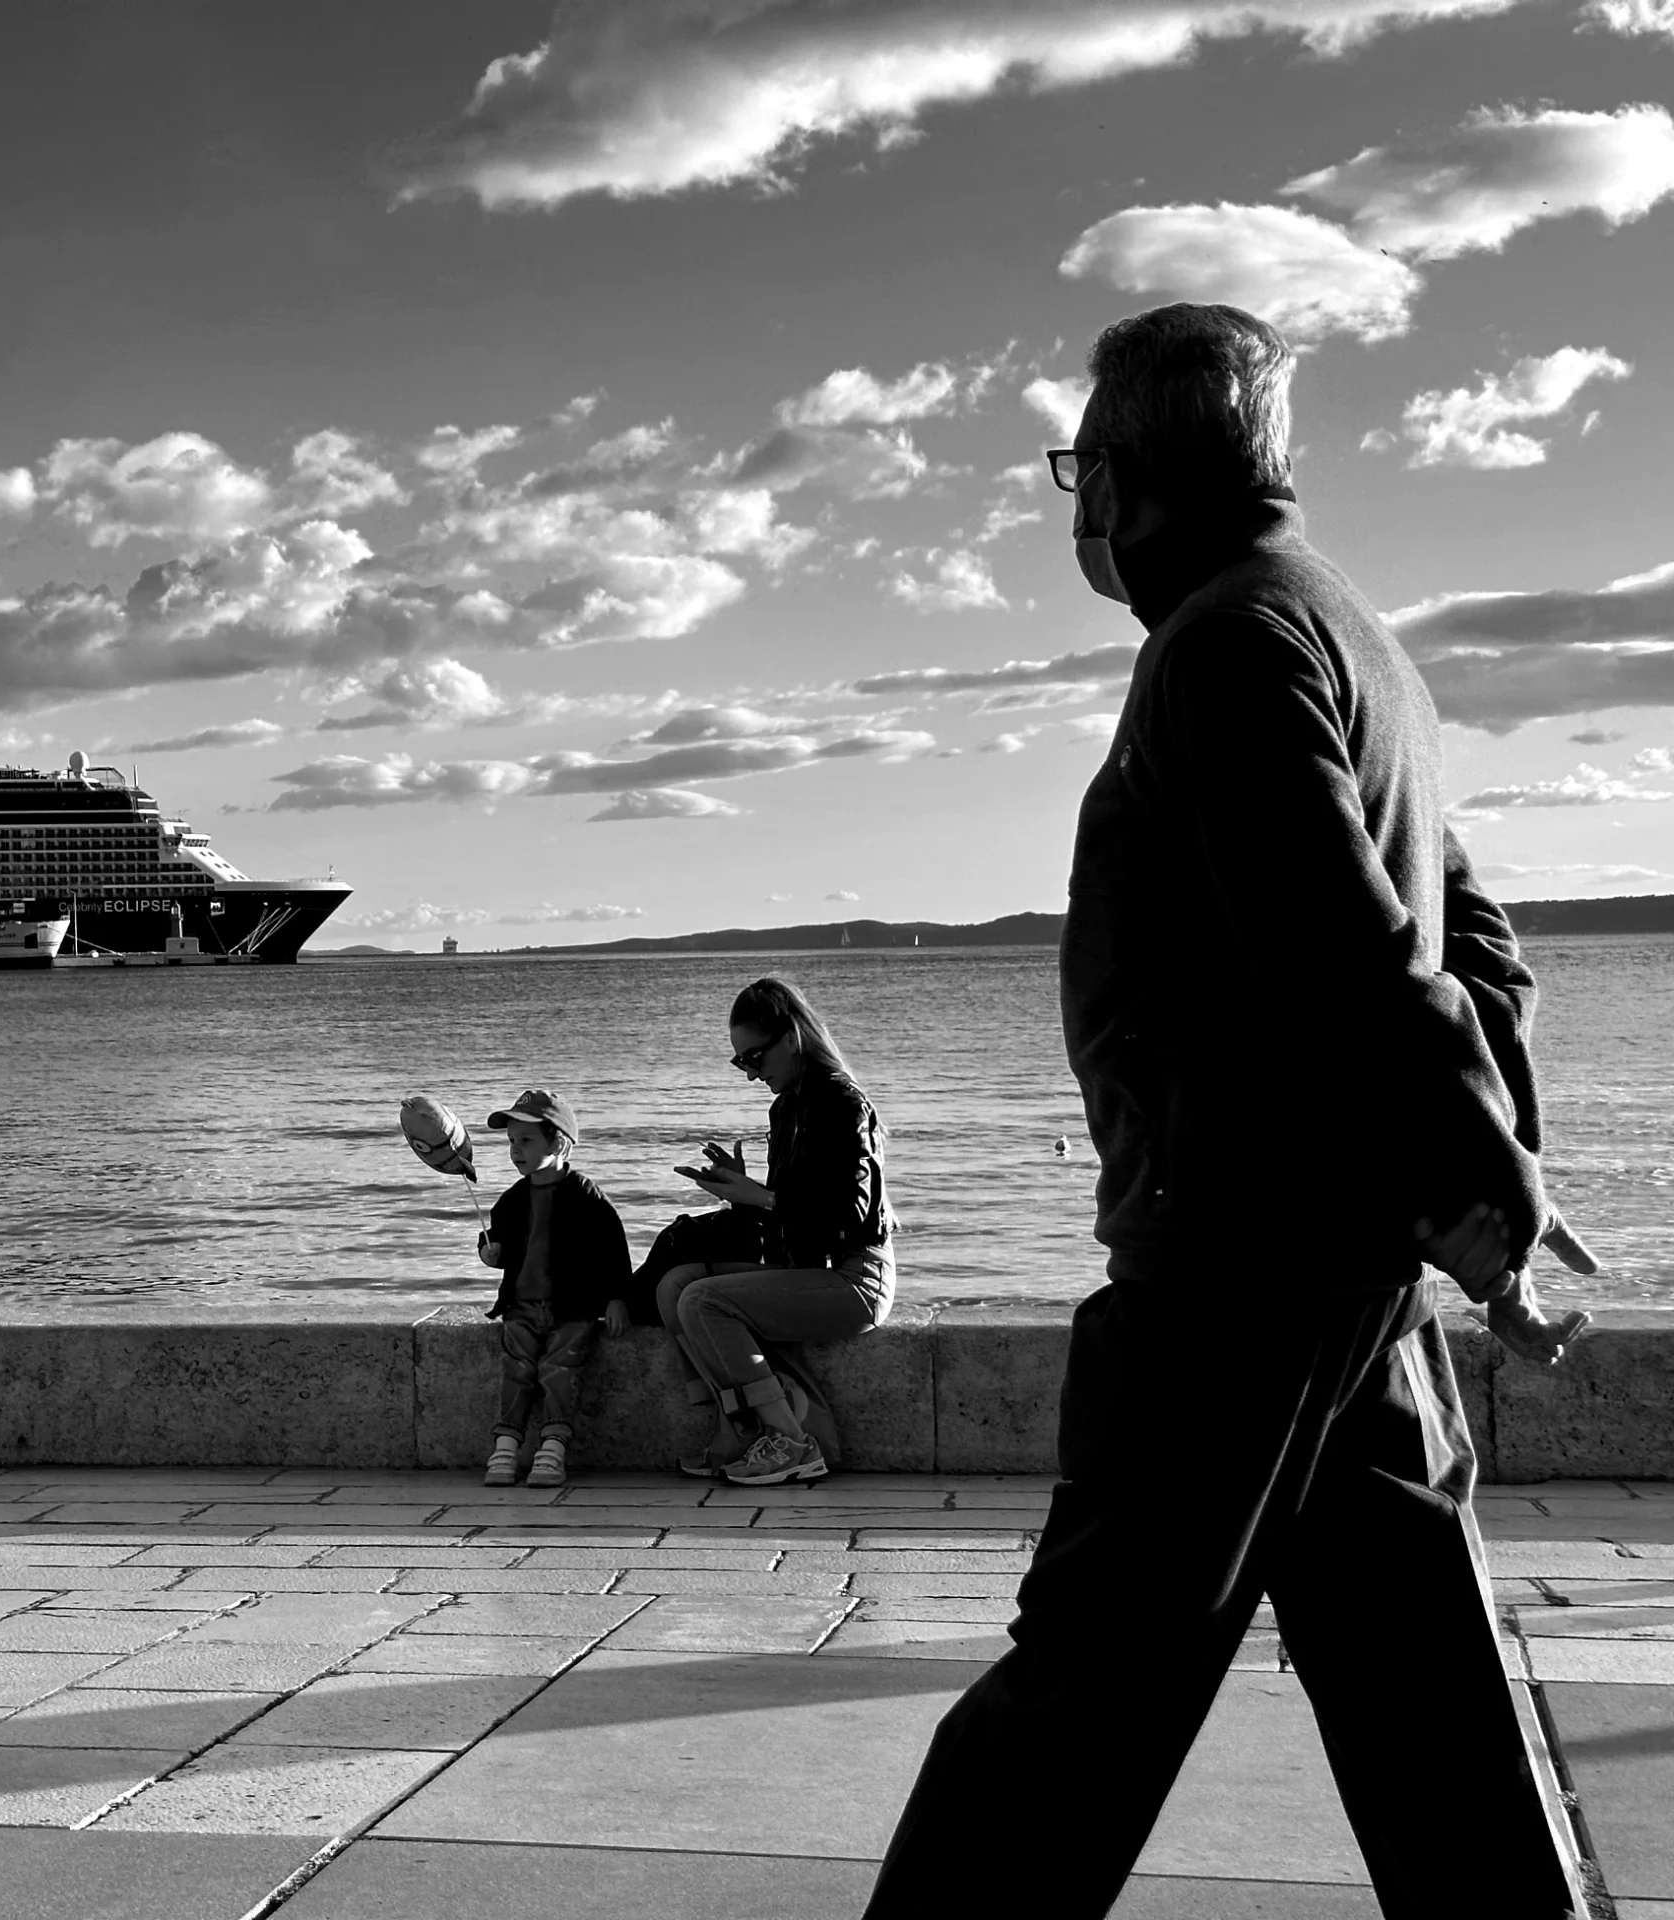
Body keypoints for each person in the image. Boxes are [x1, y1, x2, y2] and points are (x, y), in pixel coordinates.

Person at [862, 303, 1594, 1920]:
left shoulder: (1224, 644)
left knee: (1073, 1706)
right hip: (1349, 1283)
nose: (1078, 515)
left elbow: (1353, 953)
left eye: (1078, 476)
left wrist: (1491, 1189)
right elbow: (1477, 951)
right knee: (1428, 1707)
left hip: (1231, 1282)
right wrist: (1480, 1171)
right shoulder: (1350, 631)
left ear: (1125, 479)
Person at [648, 976, 894, 1486]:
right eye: (740, 1062)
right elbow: (787, 1214)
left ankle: (791, 1441)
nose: (750, 1073)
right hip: (808, 1267)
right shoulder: (786, 1108)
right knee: (674, 1287)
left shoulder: (842, 1103)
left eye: (755, 1058)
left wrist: (761, 1197)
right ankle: (738, 1428)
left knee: (702, 1301)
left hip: (855, 1278)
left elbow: (851, 1214)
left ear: (792, 1038)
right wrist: (742, 1191)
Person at [475, 1088, 636, 1489]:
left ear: (559, 1144)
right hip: (521, 1306)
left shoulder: (587, 1197)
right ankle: (507, 1444)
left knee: (559, 1371)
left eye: (526, 1140)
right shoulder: (512, 1199)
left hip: (572, 1307)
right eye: (512, 1141)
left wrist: (617, 1297)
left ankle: (553, 1446)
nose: (515, 1150)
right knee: (516, 1371)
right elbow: (498, 1239)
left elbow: (613, 1250)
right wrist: (490, 1253)